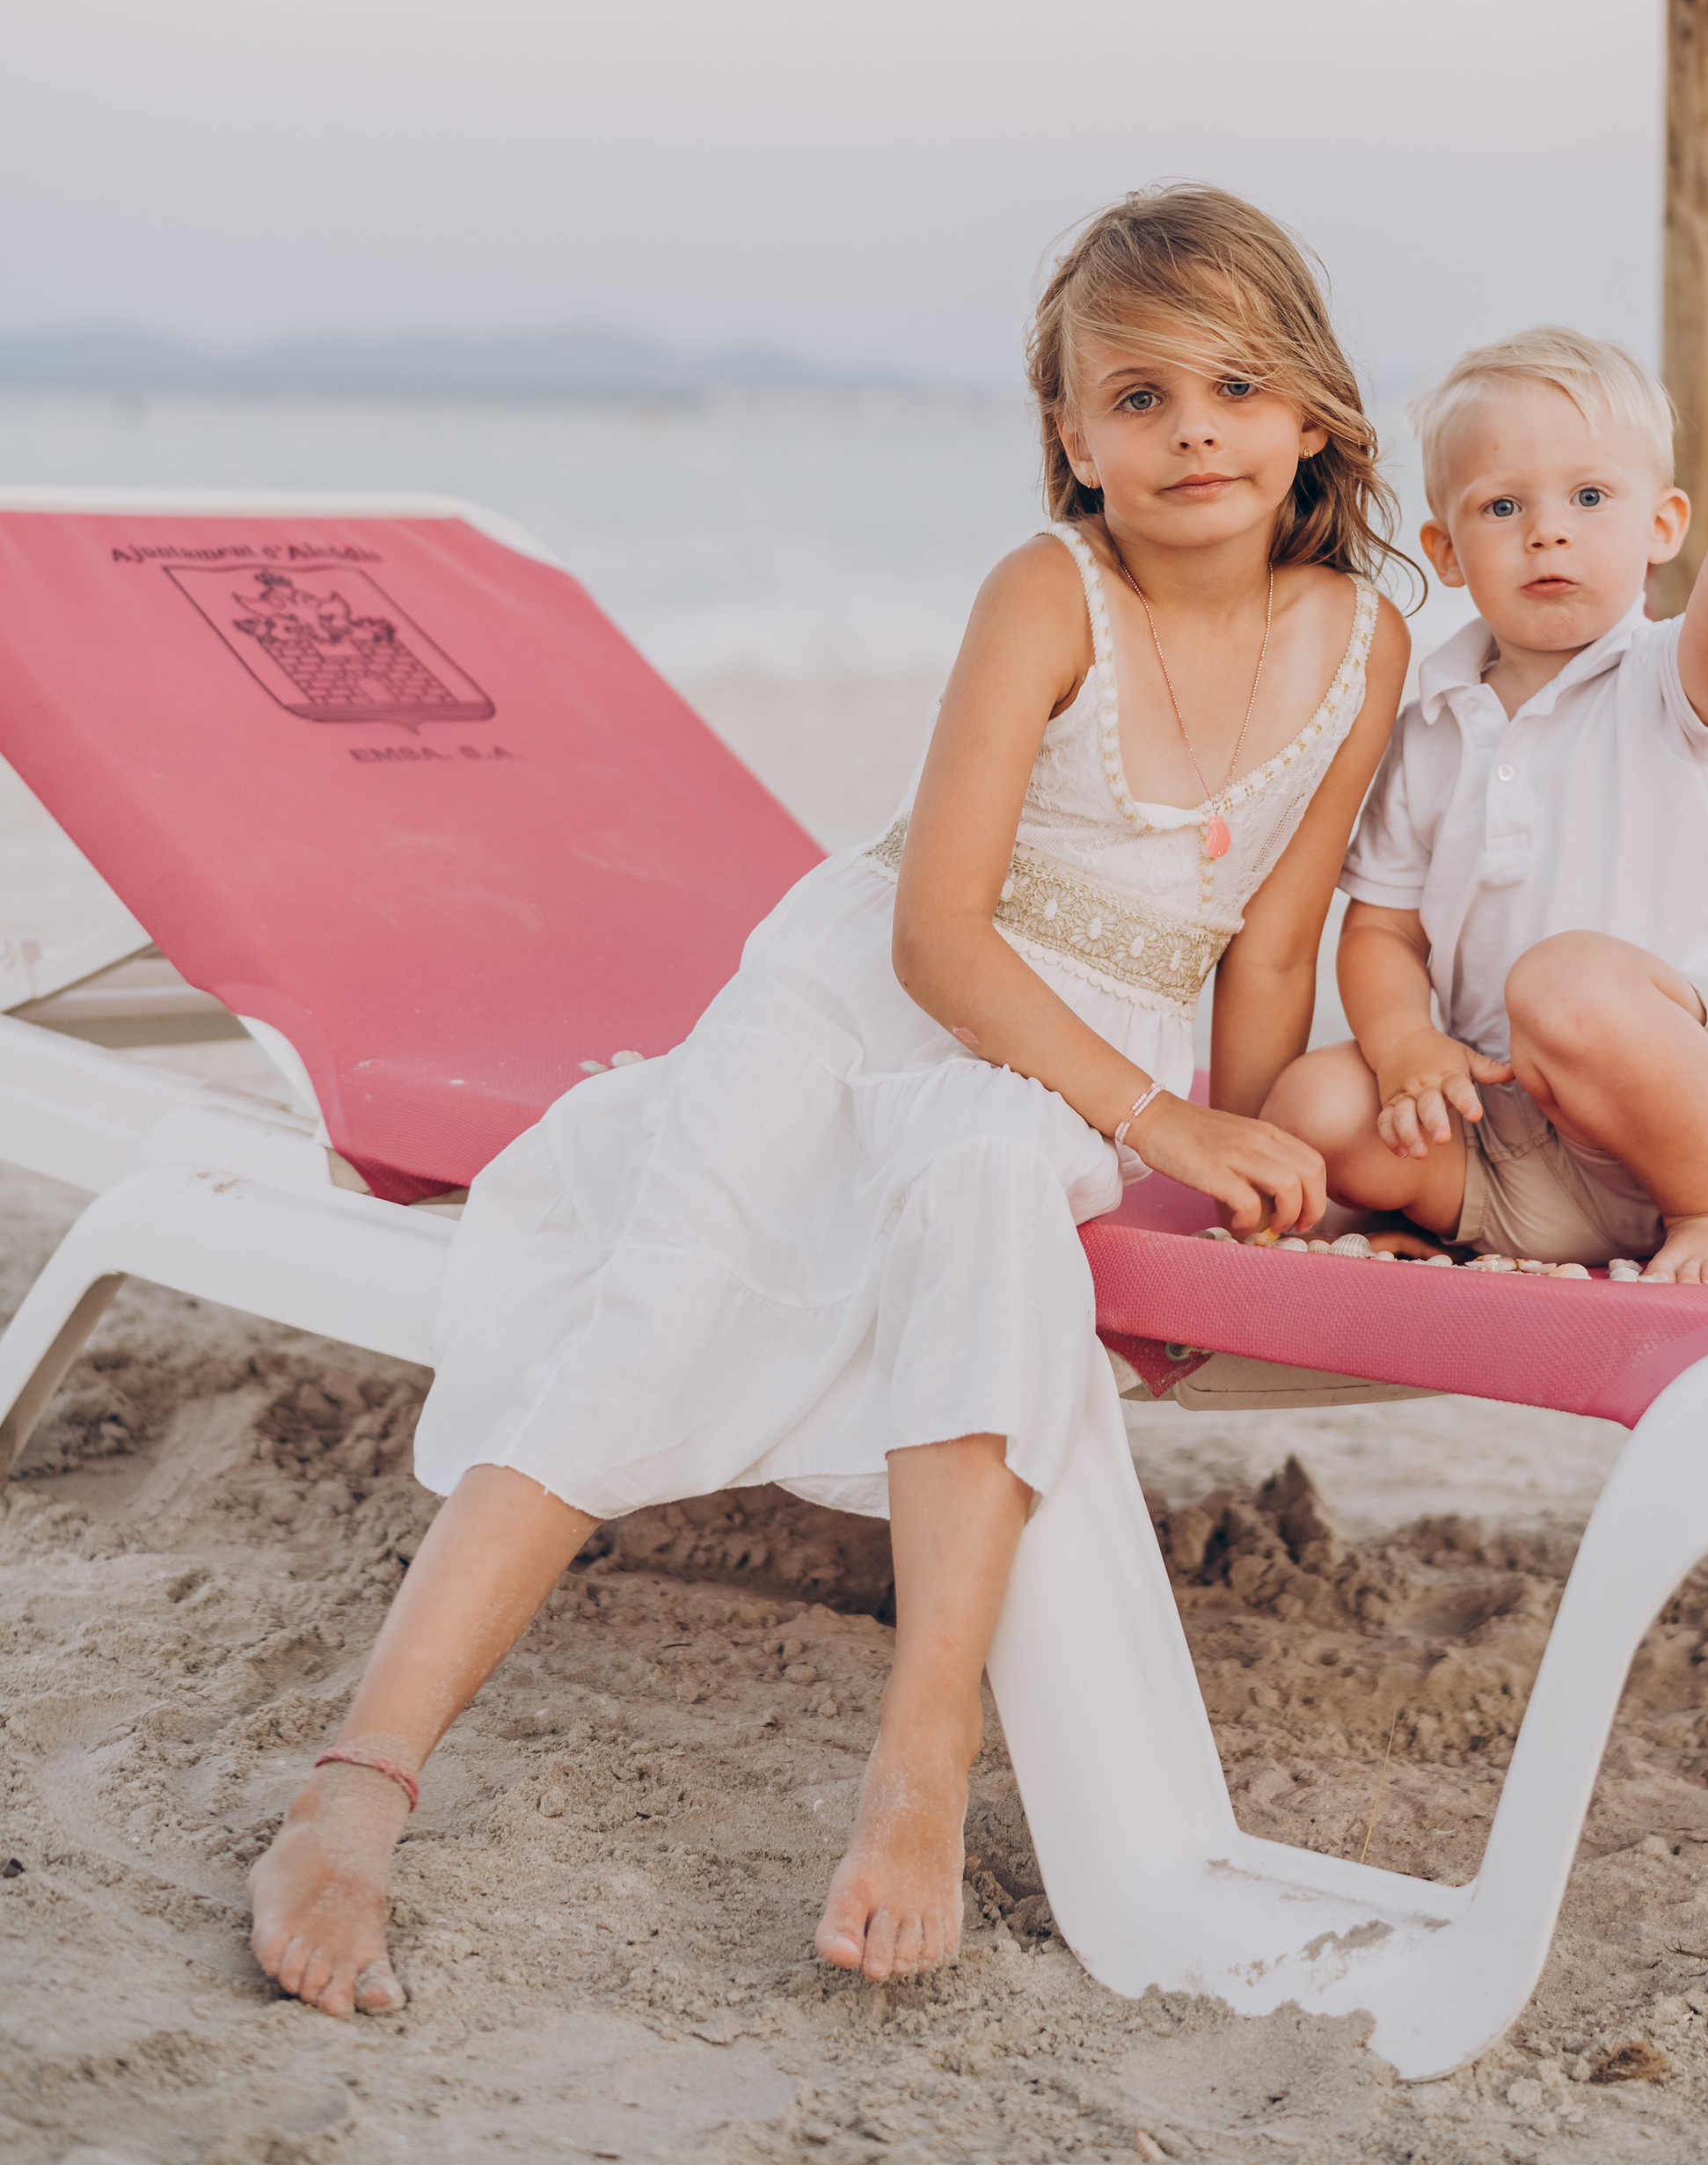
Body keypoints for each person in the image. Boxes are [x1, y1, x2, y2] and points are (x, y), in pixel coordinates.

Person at [248, 186, 1411, 2017]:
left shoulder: (1356, 640)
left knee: (980, 1194)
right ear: (1068, 439)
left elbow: (1268, 947)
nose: (1192, 428)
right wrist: (1158, 1121)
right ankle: (354, 1784)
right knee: (656, 1313)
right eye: (1136, 396)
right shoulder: (1048, 597)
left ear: (1312, 417)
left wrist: (1239, 1152)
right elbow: (940, 938)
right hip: (863, 996)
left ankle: (919, 1756)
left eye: (1236, 386)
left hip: (1072, 1069)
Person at [1263, 327, 1708, 1286]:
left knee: (1561, 982)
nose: (1547, 531)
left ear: (1661, 528)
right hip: (1517, 1133)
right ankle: (1457, 1218)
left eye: (1587, 497)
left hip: (1698, 1109)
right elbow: (1381, 934)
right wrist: (1408, 1045)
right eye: (1502, 506)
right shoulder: (1433, 726)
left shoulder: (1665, 677)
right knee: (1312, 1107)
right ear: (1447, 552)